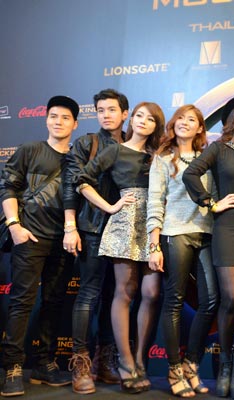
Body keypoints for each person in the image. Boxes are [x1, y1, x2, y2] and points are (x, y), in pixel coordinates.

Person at [74, 102, 164, 394]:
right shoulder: (115, 150)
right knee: (125, 292)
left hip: (154, 224)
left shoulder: (159, 155)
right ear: (131, 119)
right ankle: (125, 364)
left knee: (151, 293)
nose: (142, 121)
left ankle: (139, 361)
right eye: (138, 115)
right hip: (125, 223)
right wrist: (110, 207)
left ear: (156, 126)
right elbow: (82, 181)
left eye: (150, 119)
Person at [183, 95, 234, 399]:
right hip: (227, 229)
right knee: (231, 297)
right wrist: (210, 203)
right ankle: (225, 365)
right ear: (231, 121)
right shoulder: (218, 149)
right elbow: (190, 174)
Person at [0, 96, 79, 397]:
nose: (58, 121)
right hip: (29, 238)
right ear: (46, 119)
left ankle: (44, 363)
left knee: (54, 302)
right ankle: (12, 367)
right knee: (22, 302)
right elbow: (8, 187)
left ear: (75, 123)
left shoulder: (77, 159)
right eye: (53, 116)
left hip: (63, 241)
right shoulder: (30, 150)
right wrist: (14, 226)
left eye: (65, 117)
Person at [147, 104, 218, 397]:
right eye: (180, 118)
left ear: (200, 128)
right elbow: (155, 201)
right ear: (173, 124)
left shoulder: (208, 157)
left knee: (210, 301)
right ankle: (174, 368)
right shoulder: (162, 159)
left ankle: (191, 363)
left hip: (207, 234)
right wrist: (154, 245)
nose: (185, 123)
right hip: (174, 233)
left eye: (192, 120)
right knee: (174, 301)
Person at [63, 88, 129, 394]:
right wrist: (70, 226)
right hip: (91, 227)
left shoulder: (134, 143)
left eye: (112, 109)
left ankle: (105, 360)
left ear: (125, 113)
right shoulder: (86, 143)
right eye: (101, 110)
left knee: (115, 296)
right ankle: (81, 363)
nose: (106, 115)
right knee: (88, 294)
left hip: (125, 233)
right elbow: (71, 185)